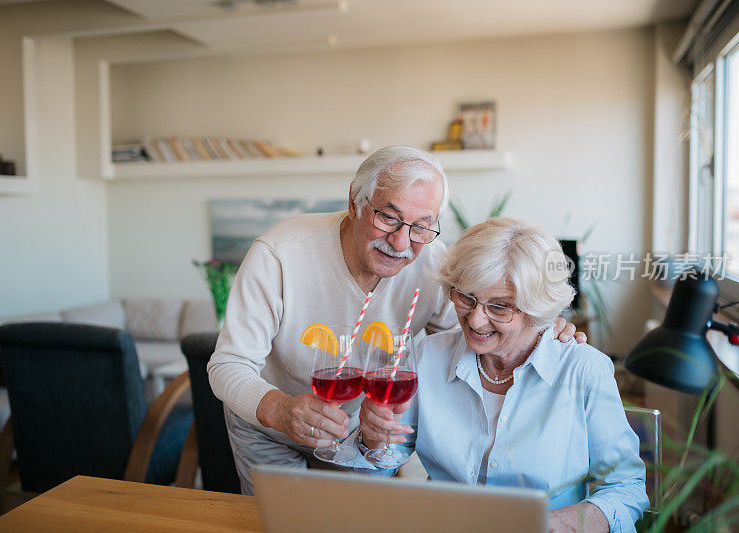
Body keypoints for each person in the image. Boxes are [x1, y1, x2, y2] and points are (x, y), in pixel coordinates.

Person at [208, 146, 584, 495]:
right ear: (355, 201)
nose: (402, 243)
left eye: (422, 225)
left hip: (357, 432)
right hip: (270, 422)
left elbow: (468, 342)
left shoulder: (434, 264)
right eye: (389, 217)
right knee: (280, 523)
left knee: (348, 522)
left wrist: (537, 331)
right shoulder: (279, 255)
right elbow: (229, 364)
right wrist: (279, 409)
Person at [358, 217, 648, 533]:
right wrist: (372, 440)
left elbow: (625, 485)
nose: (476, 320)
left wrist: (571, 522)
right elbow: (381, 464)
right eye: (466, 297)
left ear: (537, 308)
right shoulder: (426, 357)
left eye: (500, 307)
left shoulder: (584, 370)